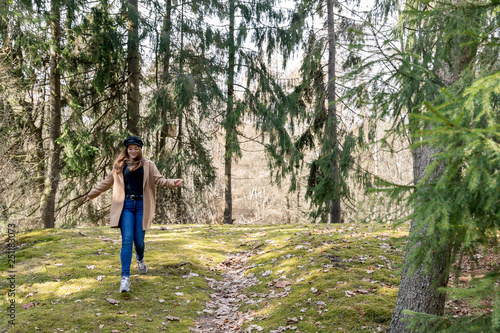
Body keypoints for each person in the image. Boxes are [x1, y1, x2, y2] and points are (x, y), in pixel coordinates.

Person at [87, 136, 182, 292]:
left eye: (135, 148)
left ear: (140, 150)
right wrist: (92, 193)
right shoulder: (119, 165)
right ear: (126, 150)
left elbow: (159, 180)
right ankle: (125, 278)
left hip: (142, 206)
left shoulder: (148, 165)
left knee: (138, 240)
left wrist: (173, 182)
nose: (132, 151)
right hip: (126, 206)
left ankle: (140, 259)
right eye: (130, 148)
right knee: (127, 241)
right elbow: (107, 181)